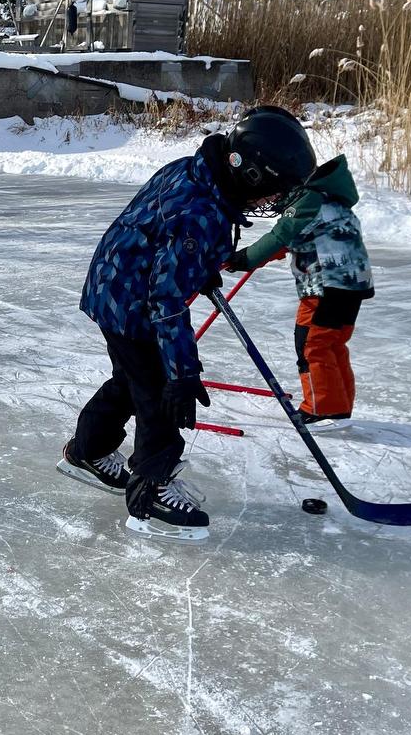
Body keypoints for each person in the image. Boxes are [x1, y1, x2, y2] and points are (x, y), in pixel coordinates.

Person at [58, 107, 317, 542]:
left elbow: (158, 233)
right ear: (250, 174)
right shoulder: (202, 214)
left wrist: (197, 265)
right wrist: (182, 375)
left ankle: (88, 450)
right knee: (160, 389)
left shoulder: (197, 172)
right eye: (271, 192)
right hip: (133, 303)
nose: (269, 203)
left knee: (132, 380)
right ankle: (151, 494)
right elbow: (166, 299)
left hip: (113, 284)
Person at [225, 149, 374, 428]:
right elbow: (302, 238)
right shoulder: (330, 202)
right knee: (332, 344)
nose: (274, 197)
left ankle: (319, 408)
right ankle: (338, 406)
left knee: (311, 345)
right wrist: (267, 255)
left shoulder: (307, 201)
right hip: (352, 285)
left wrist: (244, 258)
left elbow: (281, 235)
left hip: (325, 286)